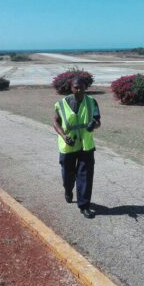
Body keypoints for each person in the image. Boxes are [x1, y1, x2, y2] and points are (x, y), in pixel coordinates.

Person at [53, 77, 101, 218]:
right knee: (68, 175)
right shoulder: (61, 104)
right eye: (76, 87)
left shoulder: (92, 102)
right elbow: (55, 122)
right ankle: (68, 190)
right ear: (71, 88)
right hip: (68, 145)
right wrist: (63, 136)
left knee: (85, 176)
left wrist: (94, 124)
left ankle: (84, 205)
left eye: (81, 87)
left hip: (86, 145)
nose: (79, 90)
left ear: (85, 87)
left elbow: (97, 120)